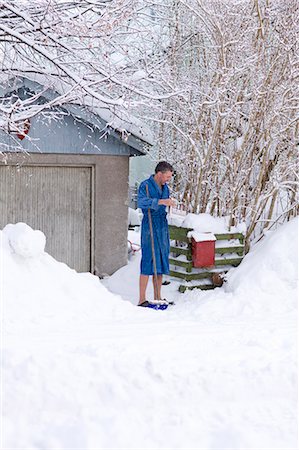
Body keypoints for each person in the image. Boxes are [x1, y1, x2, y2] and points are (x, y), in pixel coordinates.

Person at [137, 161, 176, 307]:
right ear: (159, 174)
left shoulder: (165, 188)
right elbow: (141, 202)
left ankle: (158, 296)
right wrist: (161, 201)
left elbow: (165, 203)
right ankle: (142, 299)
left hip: (162, 225)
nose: (168, 180)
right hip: (150, 225)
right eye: (167, 176)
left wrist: (170, 205)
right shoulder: (145, 186)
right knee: (148, 259)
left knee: (161, 259)